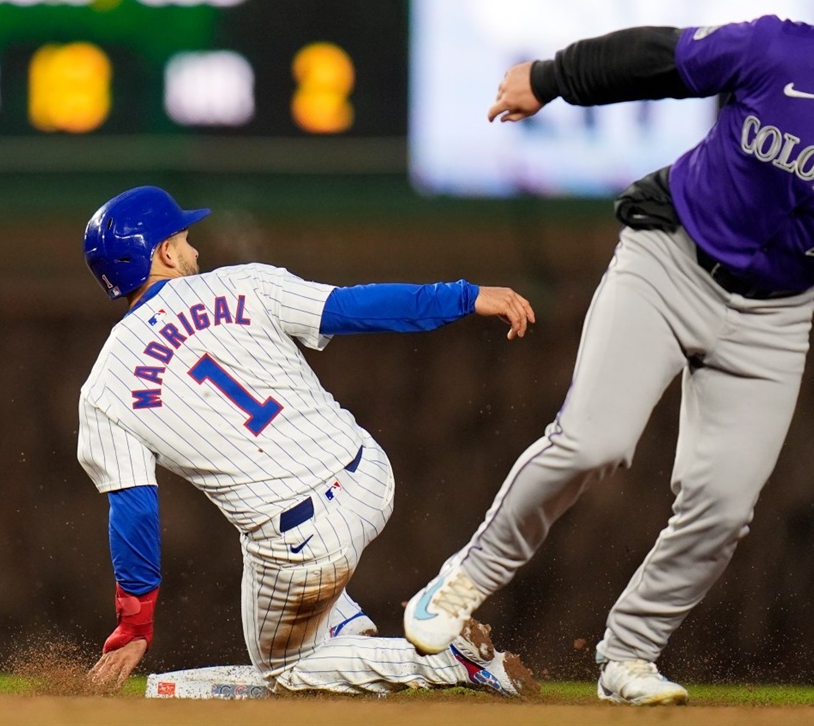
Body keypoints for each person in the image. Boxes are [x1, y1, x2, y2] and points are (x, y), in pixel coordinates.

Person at [403, 0, 814, 706]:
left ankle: (628, 654)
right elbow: (661, 57)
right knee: (594, 441)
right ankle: (465, 579)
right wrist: (552, 78)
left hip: (775, 312)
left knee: (723, 506)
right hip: (670, 257)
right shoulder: (782, 48)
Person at [78, 185, 540, 697]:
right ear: (163, 252)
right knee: (290, 585)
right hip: (368, 477)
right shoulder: (245, 284)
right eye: (185, 240)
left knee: (285, 671)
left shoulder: (105, 389)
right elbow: (354, 307)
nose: (195, 251)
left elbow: (135, 512)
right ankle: (351, 641)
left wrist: (136, 625)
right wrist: (465, 295)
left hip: (301, 541)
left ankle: (451, 661)